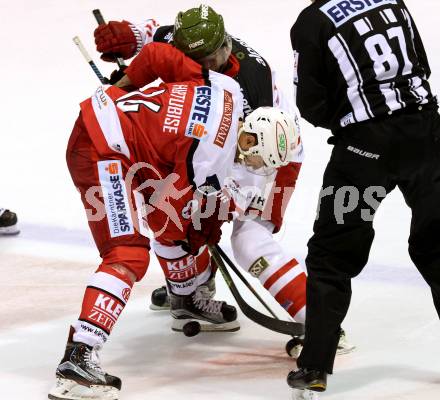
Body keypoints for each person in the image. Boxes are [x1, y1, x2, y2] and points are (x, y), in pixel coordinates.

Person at [93, 6, 355, 357]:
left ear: (225, 44)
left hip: (267, 155)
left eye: (212, 55)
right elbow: (157, 33)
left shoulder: (248, 84)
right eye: (195, 57)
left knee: (249, 239)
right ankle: (189, 292)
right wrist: (127, 36)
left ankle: (323, 326)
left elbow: (246, 156)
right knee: (170, 212)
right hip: (220, 146)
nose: (207, 62)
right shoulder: (182, 45)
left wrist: (214, 207)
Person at [48, 42, 301, 399]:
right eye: (259, 161)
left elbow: (156, 56)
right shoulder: (210, 158)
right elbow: (166, 223)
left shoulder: (228, 89)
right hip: (102, 150)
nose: (255, 169)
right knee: (127, 254)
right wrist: (201, 230)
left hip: (120, 139)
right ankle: (78, 356)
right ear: (251, 140)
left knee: (170, 228)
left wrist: (123, 86)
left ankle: (184, 299)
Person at [287, 0, 440, 396]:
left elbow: (311, 104)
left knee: (331, 256)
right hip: (427, 136)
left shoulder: (313, 21)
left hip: (363, 153)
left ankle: (315, 367)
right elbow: (420, 64)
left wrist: (357, 126)